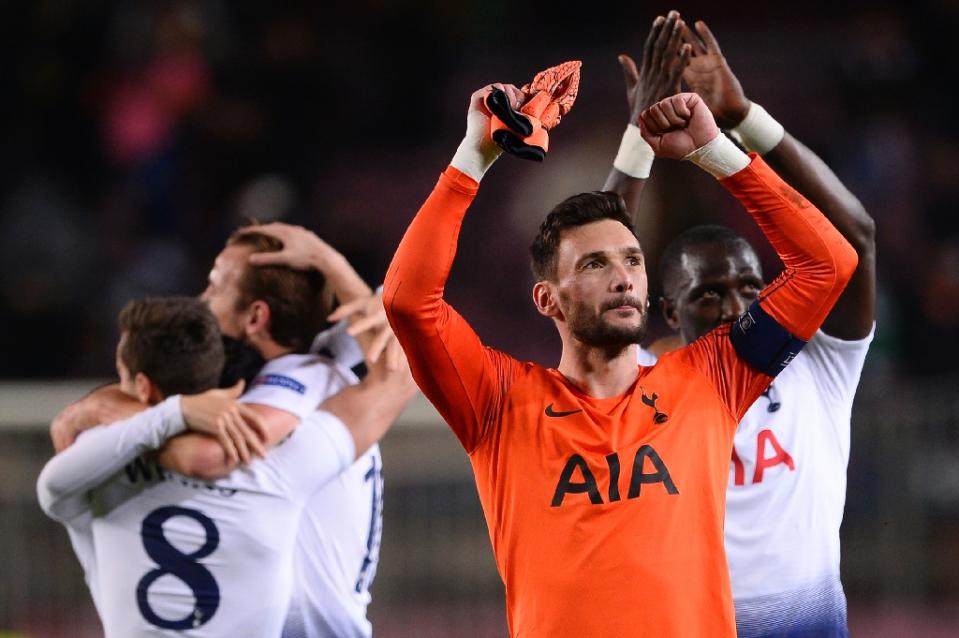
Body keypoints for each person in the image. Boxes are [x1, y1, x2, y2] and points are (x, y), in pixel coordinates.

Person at [383, 71, 857, 635]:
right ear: (547, 300)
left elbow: (829, 264)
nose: (623, 278)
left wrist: (715, 153)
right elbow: (409, 301)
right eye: (593, 264)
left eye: (632, 260)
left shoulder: (710, 378)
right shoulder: (498, 402)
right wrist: (473, 156)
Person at [605, 15, 875, 637]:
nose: (735, 309)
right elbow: (592, 267)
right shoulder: (636, 381)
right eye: (707, 295)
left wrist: (742, 119)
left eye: (750, 288)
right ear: (666, 311)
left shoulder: (818, 361)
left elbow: (854, 237)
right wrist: (638, 141)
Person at [48, 228, 415, 638]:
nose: (201, 301)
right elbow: (390, 319)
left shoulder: (293, 381)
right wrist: (327, 262)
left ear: (257, 317)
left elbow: (204, 456)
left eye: (214, 286)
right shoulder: (318, 361)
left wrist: (115, 409)